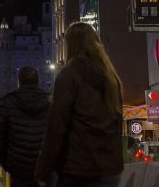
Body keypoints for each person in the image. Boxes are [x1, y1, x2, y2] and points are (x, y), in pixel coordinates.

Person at [35, 22, 124, 187]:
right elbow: (118, 123)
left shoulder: (68, 76)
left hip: (78, 169)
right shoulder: (111, 78)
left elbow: (56, 126)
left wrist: (43, 171)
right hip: (110, 168)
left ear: (70, 45)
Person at [0, 66, 50, 187]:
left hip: (17, 167)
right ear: (38, 81)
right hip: (43, 165)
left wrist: (6, 162)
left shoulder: (9, 102)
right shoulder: (49, 102)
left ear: (19, 82)